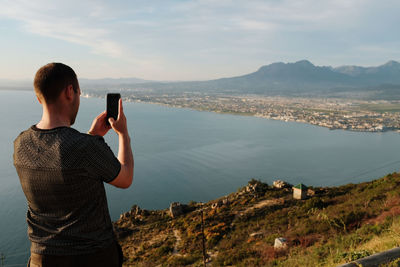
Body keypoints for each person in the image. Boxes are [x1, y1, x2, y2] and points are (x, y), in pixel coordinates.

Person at [13, 63, 134, 267]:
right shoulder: (85, 148)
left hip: (41, 259)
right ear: (70, 92)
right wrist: (123, 134)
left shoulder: (21, 144)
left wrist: (92, 136)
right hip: (92, 258)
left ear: (38, 97)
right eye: (78, 92)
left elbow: (60, 161)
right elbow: (126, 178)